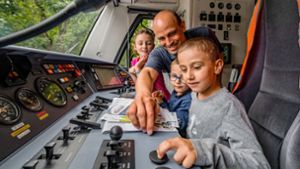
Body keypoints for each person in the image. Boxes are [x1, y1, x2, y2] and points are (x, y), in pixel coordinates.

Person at [155, 37, 271, 169]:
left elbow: (259, 164)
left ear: (217, 66)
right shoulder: (194, 95)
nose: (188, 76)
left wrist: (204, 152)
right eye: (184, 69)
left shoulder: (229, 107)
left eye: (197, 67)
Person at [127, 10, 223, 135]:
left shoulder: (204, 34)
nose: (168, 42)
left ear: (182, 26)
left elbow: (219, 56)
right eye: (162, 38)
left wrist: (216, 89)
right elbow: (148, 73)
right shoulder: (159, 53)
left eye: (172, 34)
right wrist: (143, 95)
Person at [152, 60, 191, 138]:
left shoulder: (189, 99)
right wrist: (161, 100)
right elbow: (171, 109)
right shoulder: (176, 92)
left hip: (181, 137)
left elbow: (178, 123)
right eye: (174, 76)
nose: (177, 81)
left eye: (183, 77)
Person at [128, 28, 171, 100]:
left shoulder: (155, 60)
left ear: (153, 46)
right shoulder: (135, 61)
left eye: (148, 43)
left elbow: (147, 86)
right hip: (147, 96)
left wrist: (137, 69)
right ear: (135, 47)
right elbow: (138, 85)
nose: (144, 46)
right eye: (140, 43)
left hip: (161, 97)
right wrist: (132, 73)